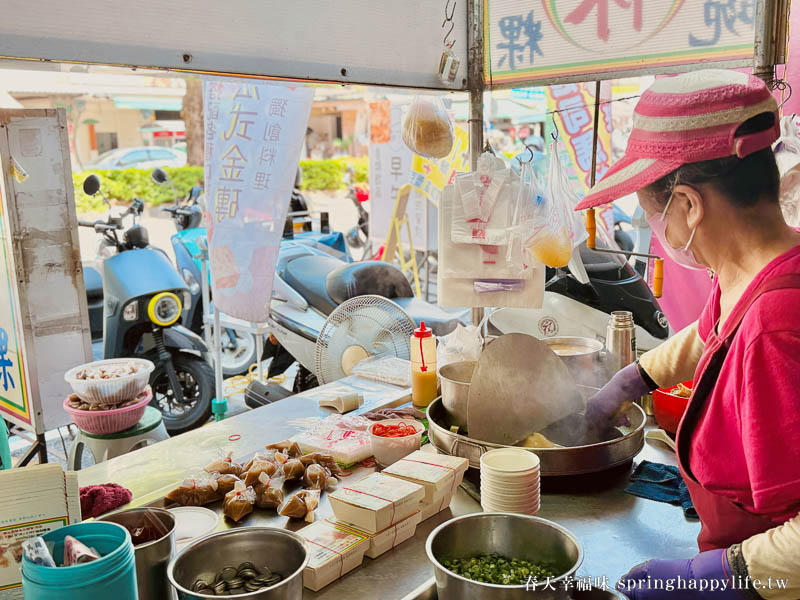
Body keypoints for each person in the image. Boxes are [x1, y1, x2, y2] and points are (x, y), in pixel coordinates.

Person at [576, 70, 800, 600]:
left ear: (688, 207)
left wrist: (716, 578)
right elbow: (712, 333)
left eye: (653, 214)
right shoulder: (758, 268)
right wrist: (633, 379)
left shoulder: (778, 326)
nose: (657, 230)